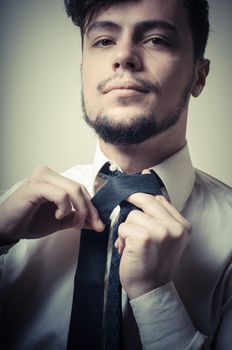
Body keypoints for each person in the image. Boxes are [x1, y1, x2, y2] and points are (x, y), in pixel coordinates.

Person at [0, 0, 231, 349]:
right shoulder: (11, 217)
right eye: (104, 40)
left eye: (156, 39)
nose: (123, 56)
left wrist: (155, 296)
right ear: (83, 70)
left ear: (199, 76)